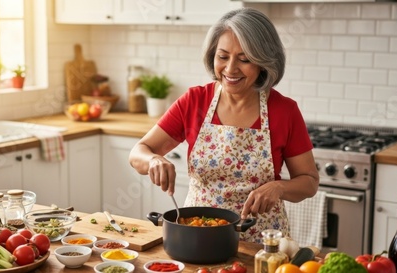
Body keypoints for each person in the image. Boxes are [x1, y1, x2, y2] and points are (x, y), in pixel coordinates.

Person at [129, 7, 319, 242]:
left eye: (244, 59)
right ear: (212, 56)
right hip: (197, 236)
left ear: (263, 62)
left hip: (262, 243)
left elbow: (309, 182)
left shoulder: (284, 111)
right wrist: (153, 160)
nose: (230, 69)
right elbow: (138, 153)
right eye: (223, 56)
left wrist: (279, 187)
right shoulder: (194, 102)